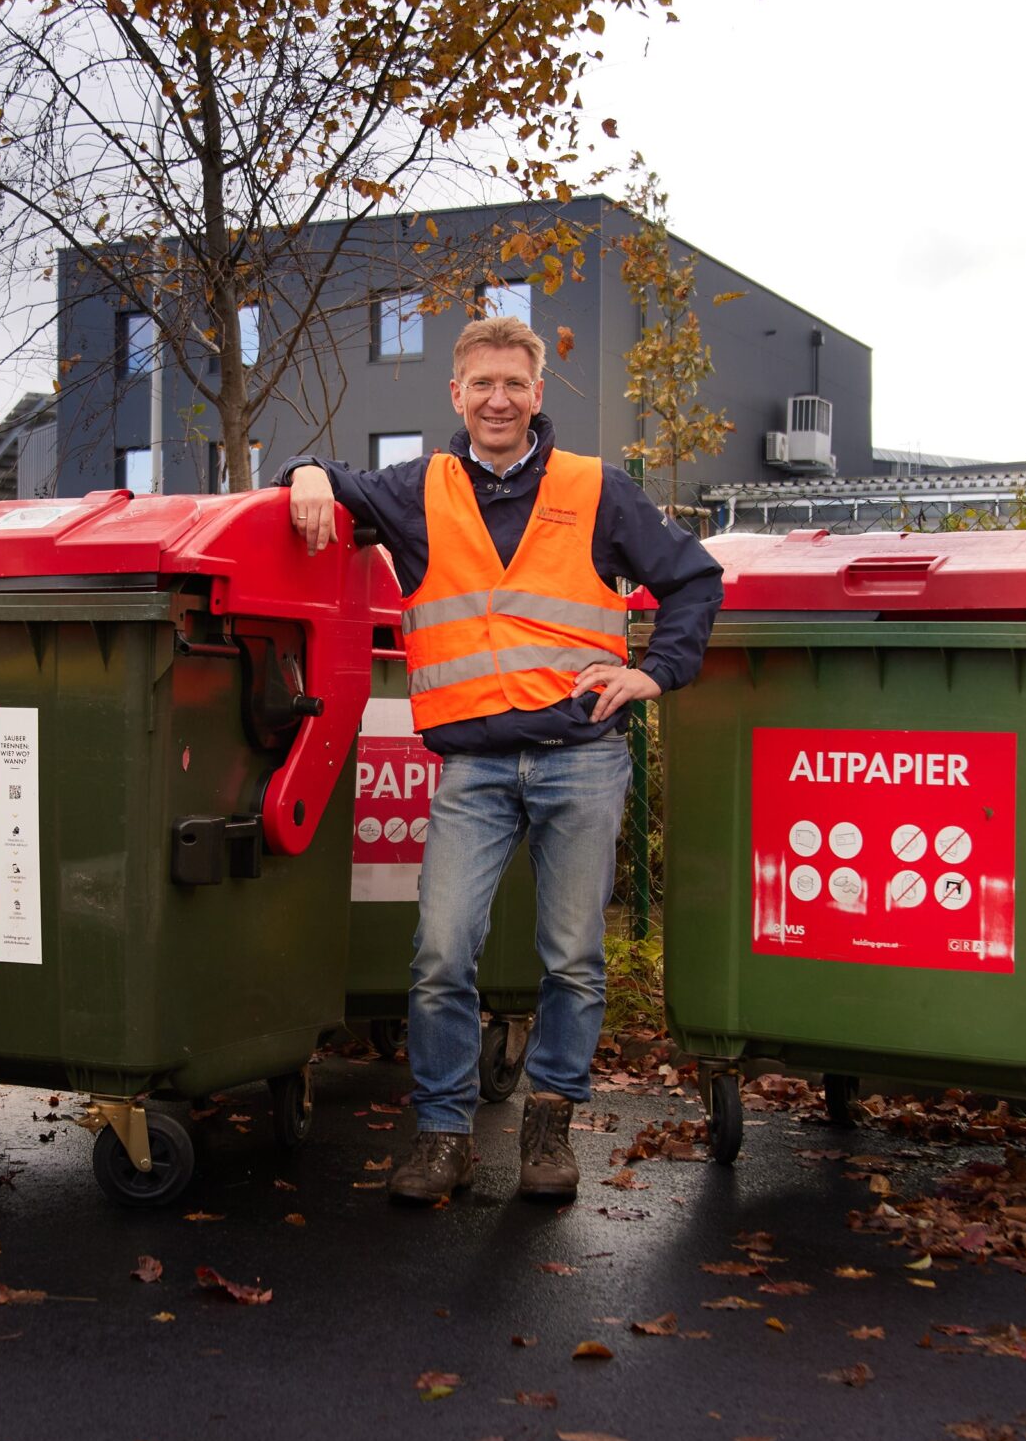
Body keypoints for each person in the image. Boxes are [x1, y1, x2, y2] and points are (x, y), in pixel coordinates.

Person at [280, 314, 722, 1206]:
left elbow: (694, 577)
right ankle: (444, 1134)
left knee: (572, 956)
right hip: (474, 770)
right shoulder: (418, 490)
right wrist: (304, 473)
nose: (497, 398)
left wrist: (653, 674)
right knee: (441, 953)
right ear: (456, 393)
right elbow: (328, 477)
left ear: (536, 394)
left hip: (581, 756)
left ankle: (550, 1120)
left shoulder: (598, 489)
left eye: (513, 384)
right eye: (481, 383)